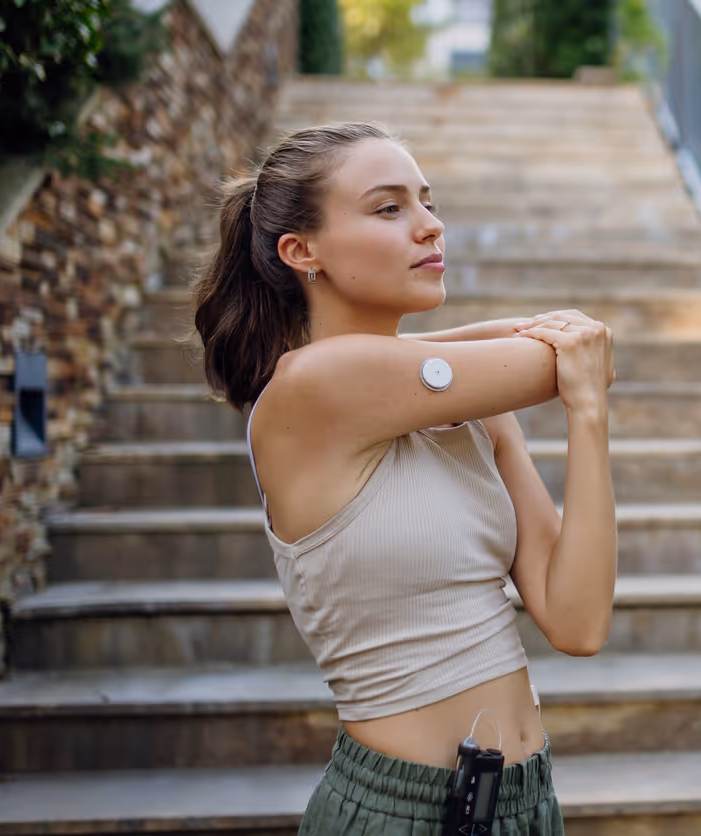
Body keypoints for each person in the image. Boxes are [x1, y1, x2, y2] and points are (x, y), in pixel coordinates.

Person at [189, 121, 617, 835]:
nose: (430, 226)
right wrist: (577, 370)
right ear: (302, 251)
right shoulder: (311, 386)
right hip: (402, 813)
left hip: (526, 806)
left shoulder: (469, 409)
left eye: (428, 201)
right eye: (389, 208)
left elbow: (578, 622)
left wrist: (590, 418)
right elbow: (552, 354)